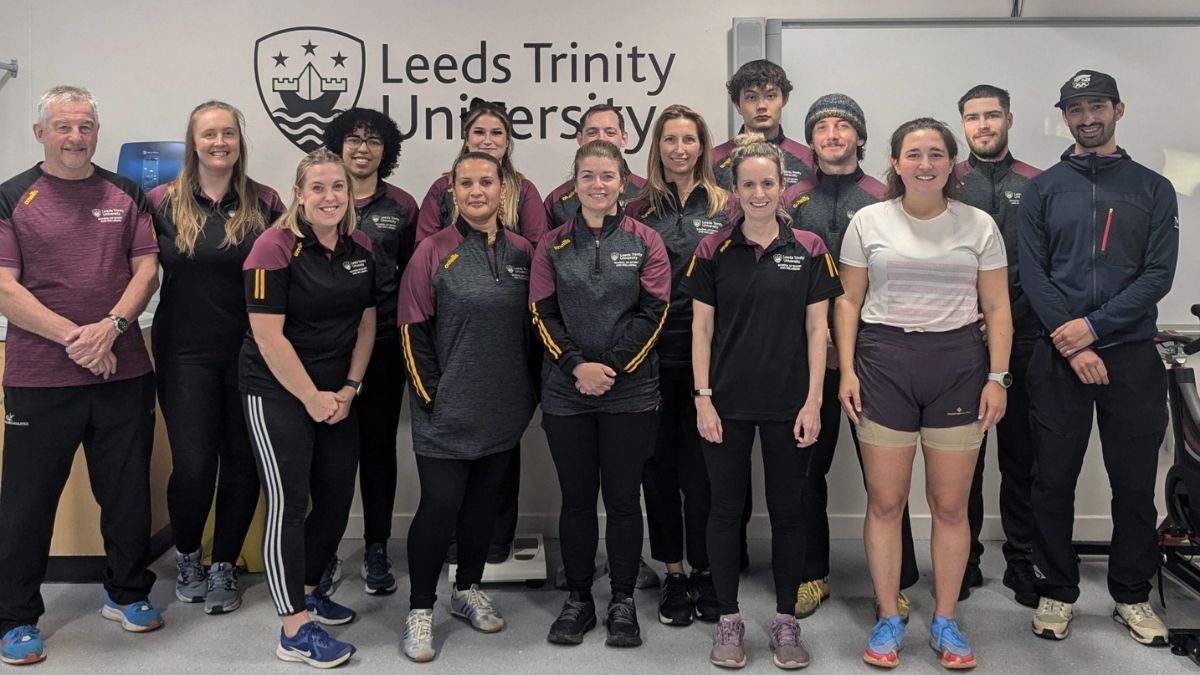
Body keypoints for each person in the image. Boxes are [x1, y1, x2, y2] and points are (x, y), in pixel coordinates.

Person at [836, 118, 1011, 670]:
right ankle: (889, 615)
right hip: (885, 364)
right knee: (886, 503)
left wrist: (997, 377)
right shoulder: (867, 221)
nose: (925, 163)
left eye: (937, 153)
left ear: (952, 164)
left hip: (958, 365)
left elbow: (998, 308)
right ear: (895, 163)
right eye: (914, 153)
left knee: (951, 506)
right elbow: (847, 302)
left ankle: (946, 620)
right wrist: (846, 372)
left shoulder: (979, 224)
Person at [0, 86, 162, 666]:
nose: (76, 137)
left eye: (86, 126)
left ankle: (126, 594)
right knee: (26, 502)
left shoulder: (126, 192)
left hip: (122, 372)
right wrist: (81, 339)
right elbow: (4, 287)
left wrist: (112, 327)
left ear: (97, 131)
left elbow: (147, 269)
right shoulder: (11, 197)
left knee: (125, 496)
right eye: (64, 127)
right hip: (40, 378)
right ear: (40, 132)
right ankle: (16, 617)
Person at [1019, 69, 1178, 647]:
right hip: (1057, 357)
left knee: (1134, 484)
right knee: (1052, 480)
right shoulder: (1042, 189)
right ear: (1065, 116)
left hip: (1130, 355)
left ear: (1118, 109)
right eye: (1076, 108)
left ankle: (1131, 596)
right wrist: (1070, 336)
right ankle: (1057, 592)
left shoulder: (1153, 188)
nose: (1088, 117)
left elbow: (1158, 275)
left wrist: (1090, 329)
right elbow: (1033, 273)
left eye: (1097, 106)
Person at [683, 133, 841, 670]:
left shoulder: (811, 247)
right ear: (734, 190)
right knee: (725, 511)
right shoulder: (713, 250)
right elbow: (700, 331)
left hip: (790, 404)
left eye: (767, 183)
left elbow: (818, 330)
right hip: (724, 404)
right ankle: (728, 621)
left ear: (783, 188)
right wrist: (702, 398)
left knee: (789, 514)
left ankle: (784, 622)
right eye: (747, 183)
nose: (757, 192)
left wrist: (814, 400)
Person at [396, 151, 537, 663]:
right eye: (466, 183)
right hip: (445, 414)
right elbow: (412, 333)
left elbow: (535, 330)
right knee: (439, 509)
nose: (477, 191)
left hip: (503, 411)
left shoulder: (525, 252)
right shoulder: (432, 252)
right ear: (452, 192)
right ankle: (418, 610)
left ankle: (466, 589)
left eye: (486, 182)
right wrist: (433, 398)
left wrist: (528, 397)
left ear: (504, 190)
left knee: (483, 508)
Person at [783, 93, 919, 622]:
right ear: (810, 139)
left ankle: (898, 581)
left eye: (844, 127)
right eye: (822, 128)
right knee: (804, 471)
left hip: (877, 356)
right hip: (807, 356)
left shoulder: (888, 197)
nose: (833, 135)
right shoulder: (789, 197)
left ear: (861, 137)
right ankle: (811, 573)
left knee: (885, 476)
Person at [530, 140, 669, 649]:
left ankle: (623, 601)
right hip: (567, 395)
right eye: (587, 176)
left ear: (622, 182)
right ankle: (579, 600)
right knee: (576, 502)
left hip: (631, 394)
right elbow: (542, 314)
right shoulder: (552, 244)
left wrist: (607, 369)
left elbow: (653, 315)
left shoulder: (646, 241)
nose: (596, 185)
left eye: (606, 176)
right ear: (574, 183)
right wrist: (575, 367)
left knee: (624, 501)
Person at [240, 148, 376, 668]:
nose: (329, 197)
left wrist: (349, 387)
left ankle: (310, 589)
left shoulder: (359, 245)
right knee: (288, 505)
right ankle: (293, 628)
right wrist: (310, 397)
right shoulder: (272, 249)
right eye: (317, 188)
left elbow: (367, 322)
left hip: (337, 393)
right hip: (277, 391)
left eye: (337, 188)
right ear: (298, 194)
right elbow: (268, 338)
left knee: (338, 499)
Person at [149, 100, 284, 615]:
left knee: (243, 464)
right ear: (194, 141)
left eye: (228, 133)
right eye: (209, 134)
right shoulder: (161, 201)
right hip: (185, 354)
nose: (220, 142)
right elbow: (134, 270)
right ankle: (188, 555)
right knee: (195, 465)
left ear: (240, 141)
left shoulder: (265, 201)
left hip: (251, 353)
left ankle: (225, 563)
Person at [416, 98, 546, 566]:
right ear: (465, 139)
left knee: (502, 448)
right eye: (479, 132)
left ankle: (496, 540)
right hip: (456, 325)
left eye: (497, 133)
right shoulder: (440, 189)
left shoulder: (524, 189)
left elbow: (537, 251)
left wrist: (498, 260)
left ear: (508, 142)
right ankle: (455, 545)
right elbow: (427, 249)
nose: (488, 140)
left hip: (508, 325)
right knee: (452, 464)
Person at [625, 104, 730, 626]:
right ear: (658, 147)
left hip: (711, 363)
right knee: (659, 472)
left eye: (689, 139)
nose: (680, 149)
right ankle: (673, 573)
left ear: (703, 146)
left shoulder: (727, 206)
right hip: (652, 361)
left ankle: (707, 572)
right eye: (670, 140)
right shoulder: (636, 211)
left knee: (705, 475)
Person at [319, 107, 418, 596]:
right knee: (329, 453)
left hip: (382, 345)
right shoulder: (318, 197)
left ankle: (377, 546)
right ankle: (325, 550)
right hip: (323, 347)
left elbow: (414, 278)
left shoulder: (401, 206)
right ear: (338, 143)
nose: (362, 148)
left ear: (387, 150)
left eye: (374, 140)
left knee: (378, 450)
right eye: (354, 138)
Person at [955, 84, 1042, 606]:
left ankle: (1021, 559)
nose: (983, 125)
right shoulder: (947, 181)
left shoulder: (1037, 184)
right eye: (972, 117)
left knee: (1022, 457)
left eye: (992, 116)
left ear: (1009, 118)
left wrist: (1005, 321)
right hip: (961, 343)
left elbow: (1044, 267)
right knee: (963, 457)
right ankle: (961, 559)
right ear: (962, 124)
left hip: (1025, 338)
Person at [712, 59, 814, 191]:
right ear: (737, 104)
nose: (761, 106)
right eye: (751, 97)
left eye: (770, 96)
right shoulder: (713, 160)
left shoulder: (808, 160)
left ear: (784, 99)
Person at [543, 103, 646, 228]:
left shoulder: (648, 193)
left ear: (624, 139)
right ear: (580, 139)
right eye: (592, 132)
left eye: (610, 132)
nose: (601, 138)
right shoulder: (557, 202)